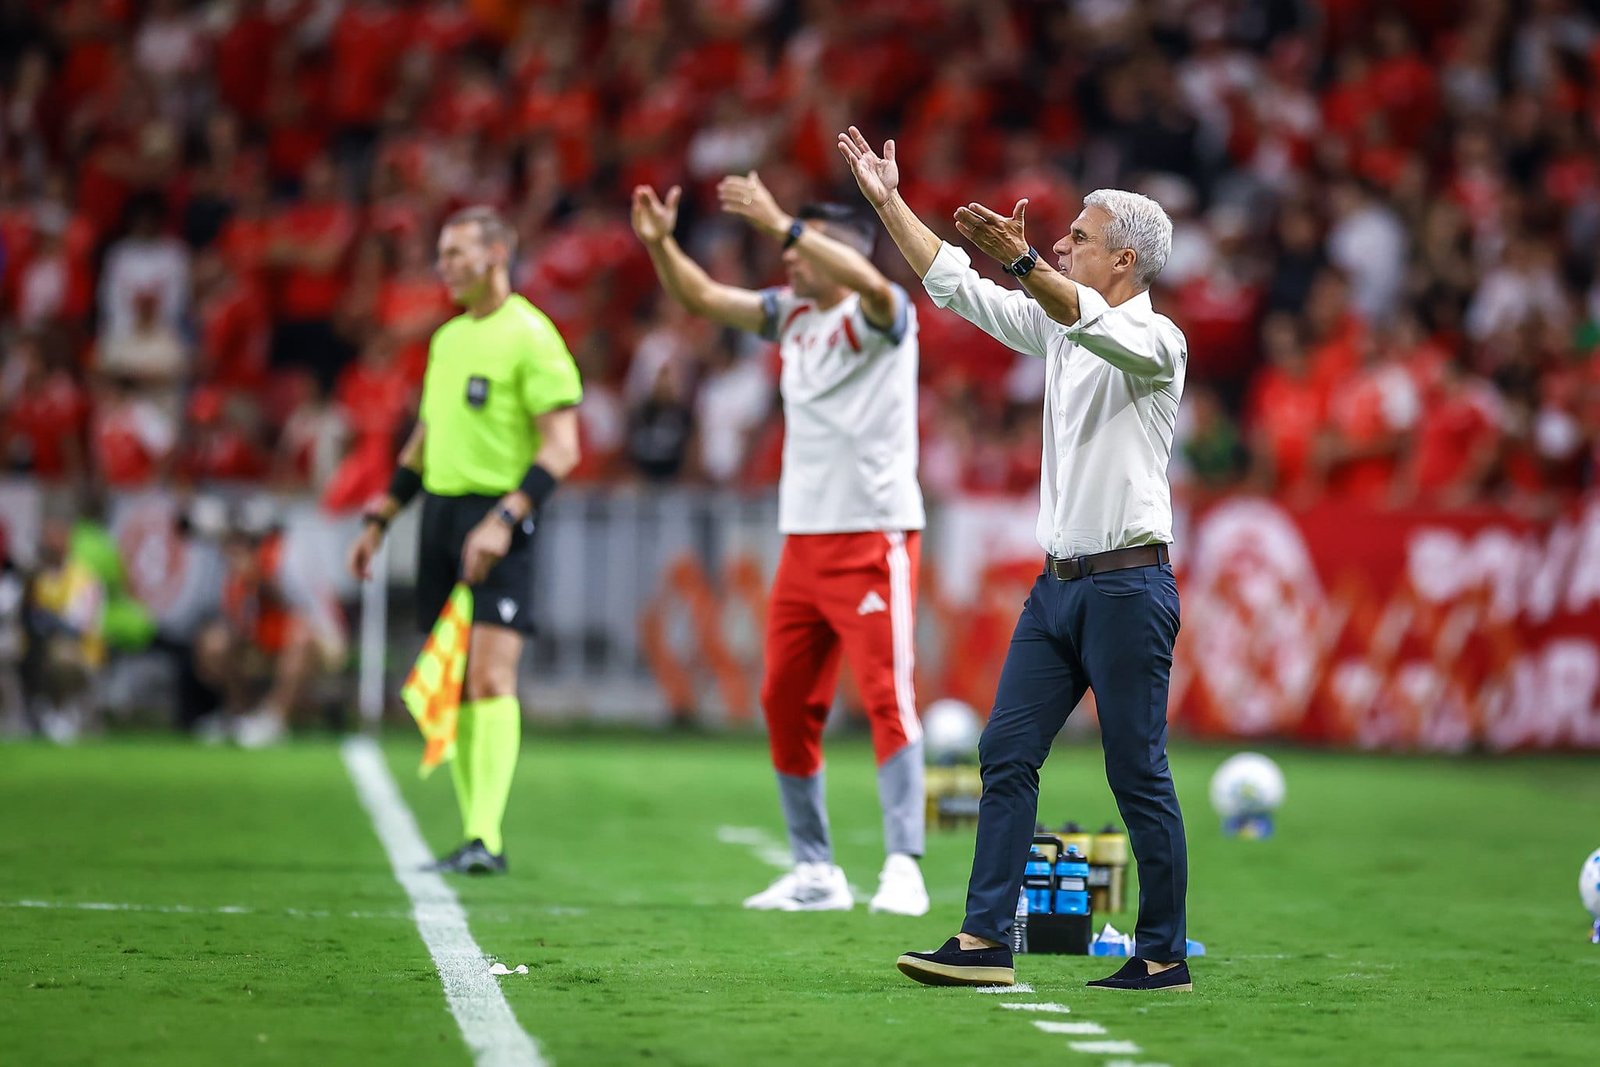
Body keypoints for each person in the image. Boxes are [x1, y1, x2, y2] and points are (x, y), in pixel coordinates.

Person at [837, 126, 1192, 990]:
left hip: (1127, 584)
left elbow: (1093, 326)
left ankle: (1163, 951)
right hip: (1059, 586)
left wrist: (1029, 264)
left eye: (1080, 234)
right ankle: (986, 938)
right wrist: (890, 203)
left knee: (1135, 770)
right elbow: (954, 285)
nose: (1063, 240)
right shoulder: (1065, 332)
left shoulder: (1159, 343)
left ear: (1124, 261)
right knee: (1005, 749)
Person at [630, 172, 930, 916]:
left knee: (887, 695)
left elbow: (877, 288)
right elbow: (702, 298)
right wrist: (662, 247)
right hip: (802, 540)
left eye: (803, 247)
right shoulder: (794, 317)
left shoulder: (883, 316)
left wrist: (779, 222)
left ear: (843, 255)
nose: (787, 260)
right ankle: (815, 869)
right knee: (784, 699)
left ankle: (904, 864)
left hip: (873, 533)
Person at [347, 206, 582, 875]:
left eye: (456, 253)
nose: (443, 265)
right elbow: (425, 440)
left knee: (489, 673)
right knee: (450, 683)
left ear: (497, 252)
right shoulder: (447, 340)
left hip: (500, 517)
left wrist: (504, 519)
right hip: (441, 518)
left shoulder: (532, 336)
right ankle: (477, 837)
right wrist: (381, 517)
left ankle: (486, 837)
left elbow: (563, 447)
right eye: (441, 254)